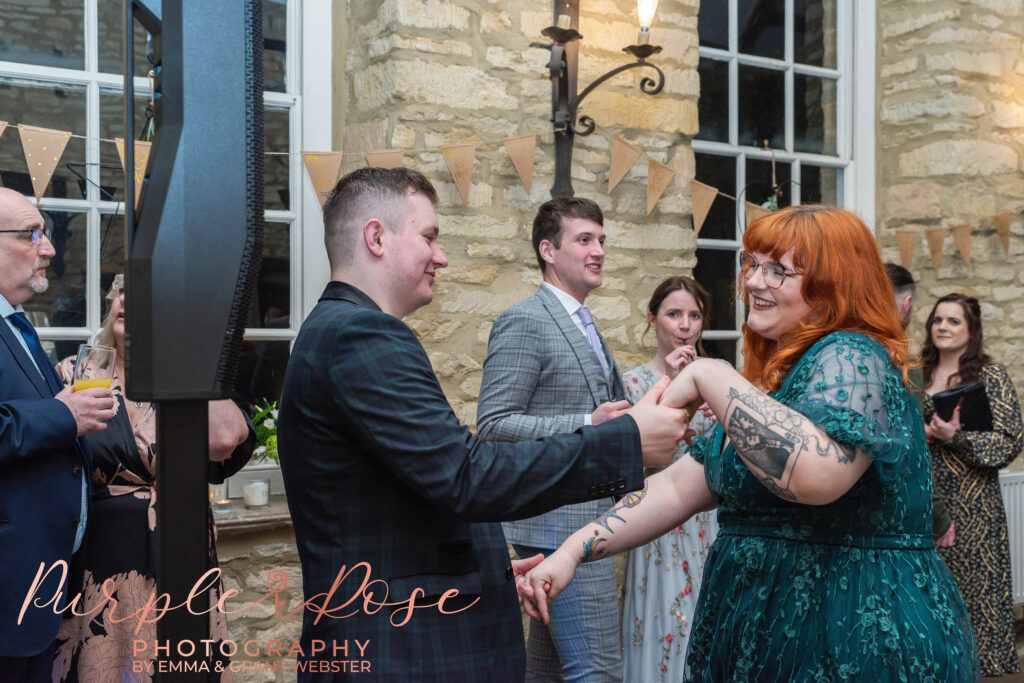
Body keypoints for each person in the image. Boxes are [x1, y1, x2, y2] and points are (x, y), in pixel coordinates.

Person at [520, 205, 978, 681]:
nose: (754, 282)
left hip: (847, 630)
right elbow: (678, 487)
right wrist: (571, 551)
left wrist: (709, 373)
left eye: (778, 270)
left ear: (832, 284)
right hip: (769, 626)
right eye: (752, 264)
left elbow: (817, 475)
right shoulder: (781, 380)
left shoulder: (852, 355)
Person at [276, 167, 687, 682]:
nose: (441, 256)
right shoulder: (360, 336)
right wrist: (624, 443)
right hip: (397, 648)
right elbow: (468, 475)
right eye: (429, 237)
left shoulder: (346, 331)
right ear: (376, 237)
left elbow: (416, 486)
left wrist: (490, 566)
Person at [51, 274, 254, 681]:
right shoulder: (75, 372)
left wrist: (186, 357)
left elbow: (228, 439)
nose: (127, 301)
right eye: (123, 291)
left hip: (181, 547)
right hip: (105, 558)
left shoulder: (186, 379)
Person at [476, 196, 631, 682]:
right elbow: (495, 425)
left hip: (576, 521)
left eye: (601, 240)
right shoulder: (525, 319)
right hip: (556, 526)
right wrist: (588, 421)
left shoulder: (585, 324)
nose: (598, 250)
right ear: (548, 249)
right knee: (598, 672)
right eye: (584, 239)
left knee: (546, 673)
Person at [0, 188, 116, 682]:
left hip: (44, 586)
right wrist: (64, 416)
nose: (48, 248)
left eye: (44, 233)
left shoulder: (17, 323)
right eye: (31, 234)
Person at [620, 276, 719, 682]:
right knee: (662, 624)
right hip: (658, 522)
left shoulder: (719, 375)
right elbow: (629, 466)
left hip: (708, 520)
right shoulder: (633, 384)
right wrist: (675, 400)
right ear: (653, 319)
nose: (685, 325)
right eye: (674, 314)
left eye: (694, 315)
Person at [921, 293, 1023, 676]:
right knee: (930, 601)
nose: (943, 327)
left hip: (976, 511)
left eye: (953, 321)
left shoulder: (990, 377)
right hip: (924, 504)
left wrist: (955, 438)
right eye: (938, 320)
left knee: (977, 604)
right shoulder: (915, 375)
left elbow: (1011, 441)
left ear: (971, 329)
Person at [883, 263, 954, 546]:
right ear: (907, 303)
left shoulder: (839, 347)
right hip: (898, 513)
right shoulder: (901, 363)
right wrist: (939, 518)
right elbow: (911, 453)